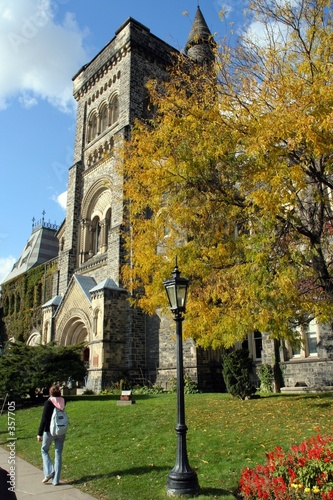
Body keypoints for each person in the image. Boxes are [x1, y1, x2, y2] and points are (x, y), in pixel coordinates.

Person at [37, 384, 66, 486]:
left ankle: (49, 471)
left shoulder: (48, 402)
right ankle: (56, 480)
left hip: (49, 431)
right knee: (58, 454)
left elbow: (44, 419)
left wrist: (39, 434)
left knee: (44, 450)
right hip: (61, 430)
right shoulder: (63, 401)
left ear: (50, 393)